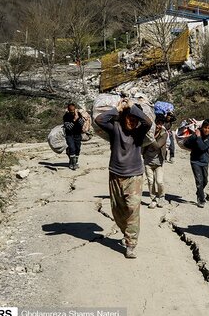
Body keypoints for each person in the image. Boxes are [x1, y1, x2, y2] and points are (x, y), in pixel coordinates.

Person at [94, 100, 152, 259]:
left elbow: (148, 121)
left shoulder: (140, 132)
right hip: (115, 174)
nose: (132, 121)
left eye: (135, 118)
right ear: (123, 117)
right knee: (117, 210)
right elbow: (99, 120)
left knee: (132, 209)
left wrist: (132, 107)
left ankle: (131, 244)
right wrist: (118, 109)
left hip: (134, 176)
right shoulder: (115, 129)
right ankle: (126, 232)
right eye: (129, 117)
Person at [184, 119, 209, 208]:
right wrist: (195, 137)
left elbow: (203, 148)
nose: (207, 130)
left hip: (205, 161)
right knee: (199, 181)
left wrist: (198, 138)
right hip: (195, 161)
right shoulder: (196, 134)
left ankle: (199, 191)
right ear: (202, 128)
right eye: (205, 128)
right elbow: (186, 144)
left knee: (205, 180)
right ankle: (201, 200)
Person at [142, 114, 168, 209]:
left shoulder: (164, 134)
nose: (159, 126)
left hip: (158, 163)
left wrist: (150, 138)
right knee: (150, 181)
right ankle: (153, 199)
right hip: (148, 161)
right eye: (157, 123)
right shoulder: (147, 132)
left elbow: (157, 146)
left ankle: (161, 197)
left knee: (159, 181)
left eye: (161, 124)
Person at [63, 102, 85, 170]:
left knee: (77, 148)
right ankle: (73, 163)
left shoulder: (79, 115)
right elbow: (68, 127)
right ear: (68, 110)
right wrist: (74, 120)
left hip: (77, 134)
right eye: (71, 111)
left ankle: (75, 161)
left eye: (73, 110)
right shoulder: (66, 116)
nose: (72, 112)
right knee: (72, 148)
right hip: (69, 135)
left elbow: (82, 123)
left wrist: (78, 118)